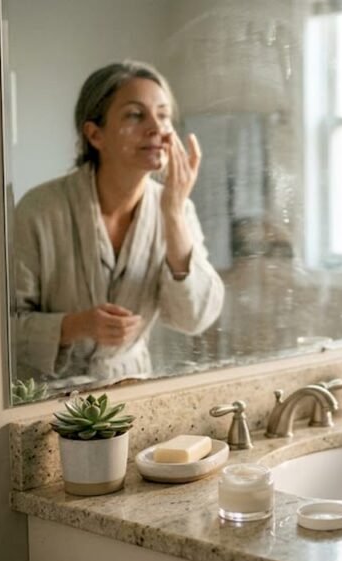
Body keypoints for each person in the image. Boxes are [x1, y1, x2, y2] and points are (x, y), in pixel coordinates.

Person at [13, 61, 224, 382]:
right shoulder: (39, 210)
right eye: (135, 115)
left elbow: (193, 318)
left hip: (131, 391)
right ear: (95, 134)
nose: (156, 128)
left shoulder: (177, 209)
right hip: (46, 400)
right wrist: (76, 326)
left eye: (164, 115)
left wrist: (172, 213)